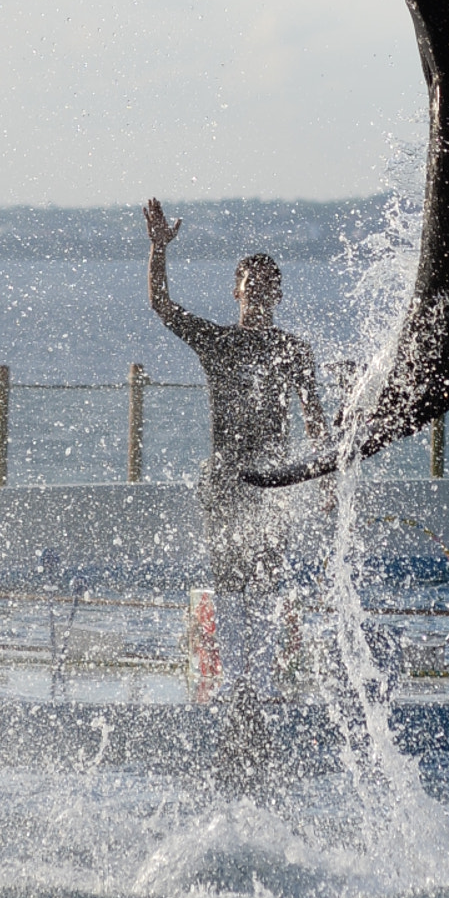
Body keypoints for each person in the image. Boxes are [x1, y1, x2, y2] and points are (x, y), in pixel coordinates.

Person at [145, 196, 328, 703]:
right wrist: (159, 249)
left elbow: (316, 424)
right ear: (236, 292)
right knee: (229, 581)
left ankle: (264, 682)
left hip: (273, 478)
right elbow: (162, 306)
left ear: (280, 295)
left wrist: (325, 480)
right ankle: (236, 683)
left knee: (267, 578)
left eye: (268, 289)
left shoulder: (293, 350)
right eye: (251, 288)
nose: (259, 297)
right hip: (226, 478)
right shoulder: (218, 343)